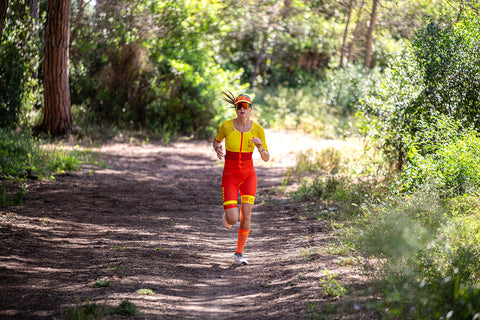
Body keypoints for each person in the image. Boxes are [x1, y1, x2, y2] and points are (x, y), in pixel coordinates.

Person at [212, 91, 270, 265]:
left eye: (245, 106)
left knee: (246, 217)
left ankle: (239, 253)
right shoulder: (226, 126)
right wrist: (217, 148)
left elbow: (266, 157)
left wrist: (260, 148)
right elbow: (215, 141)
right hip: (229, 176)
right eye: (239, 106)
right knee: (232, 219)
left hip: (248, 177)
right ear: (236, 109)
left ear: (250, 109)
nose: (242, 109)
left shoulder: (258, 129)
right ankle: (227, 216)